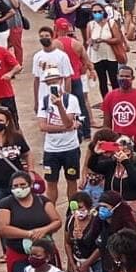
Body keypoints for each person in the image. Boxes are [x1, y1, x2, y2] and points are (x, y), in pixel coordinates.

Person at [0, 170, 60, 272]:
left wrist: (44, 230)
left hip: (44, 254)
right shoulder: (5, 204)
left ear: (30, 185)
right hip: (19, 255)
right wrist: (29, 234)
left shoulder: (43, 201)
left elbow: (57, 221)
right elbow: (2, 229)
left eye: (22, 185)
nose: (19, 188)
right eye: (15, 186)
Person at [36, 67, 80, 205]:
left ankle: (72, 212)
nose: (52, 85)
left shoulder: (71, 99)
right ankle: (50, 212)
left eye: (54, 81)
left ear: (61, 80)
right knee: (51, 183)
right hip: (51, 149)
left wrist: (60, 106)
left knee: (72, 181)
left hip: (70, 148)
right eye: (48, 82)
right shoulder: (44, 101)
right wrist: (65, 128)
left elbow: (68, 122)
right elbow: (43, 126)